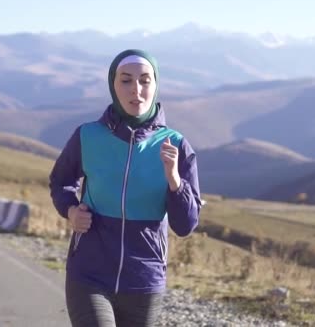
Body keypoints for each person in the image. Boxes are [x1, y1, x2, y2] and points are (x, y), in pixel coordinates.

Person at [48, 49, 201, 327]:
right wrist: (70, 210)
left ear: (155, 85)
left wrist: (174, 181)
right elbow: (60, 182)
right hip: (89, 274)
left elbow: (186, 225)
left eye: (145, 80)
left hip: (144, 280)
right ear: (113, 85)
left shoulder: (176, 145)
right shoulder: (88, 136)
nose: (137, 90)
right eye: (126, 80)